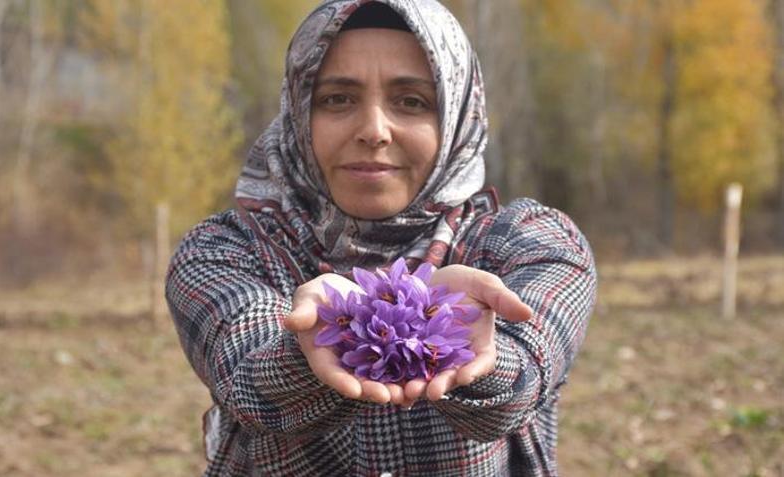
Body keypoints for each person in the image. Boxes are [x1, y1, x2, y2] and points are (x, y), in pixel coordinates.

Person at [165, 1, 597, 475]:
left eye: (411, 101)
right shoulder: (223, 251)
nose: (374, 131)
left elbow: (524, 375)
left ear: (457, 117)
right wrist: (325, 338)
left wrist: (467, 347)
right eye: (337, 99)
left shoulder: (535, 242)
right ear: (298, 114)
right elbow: (248, 379)